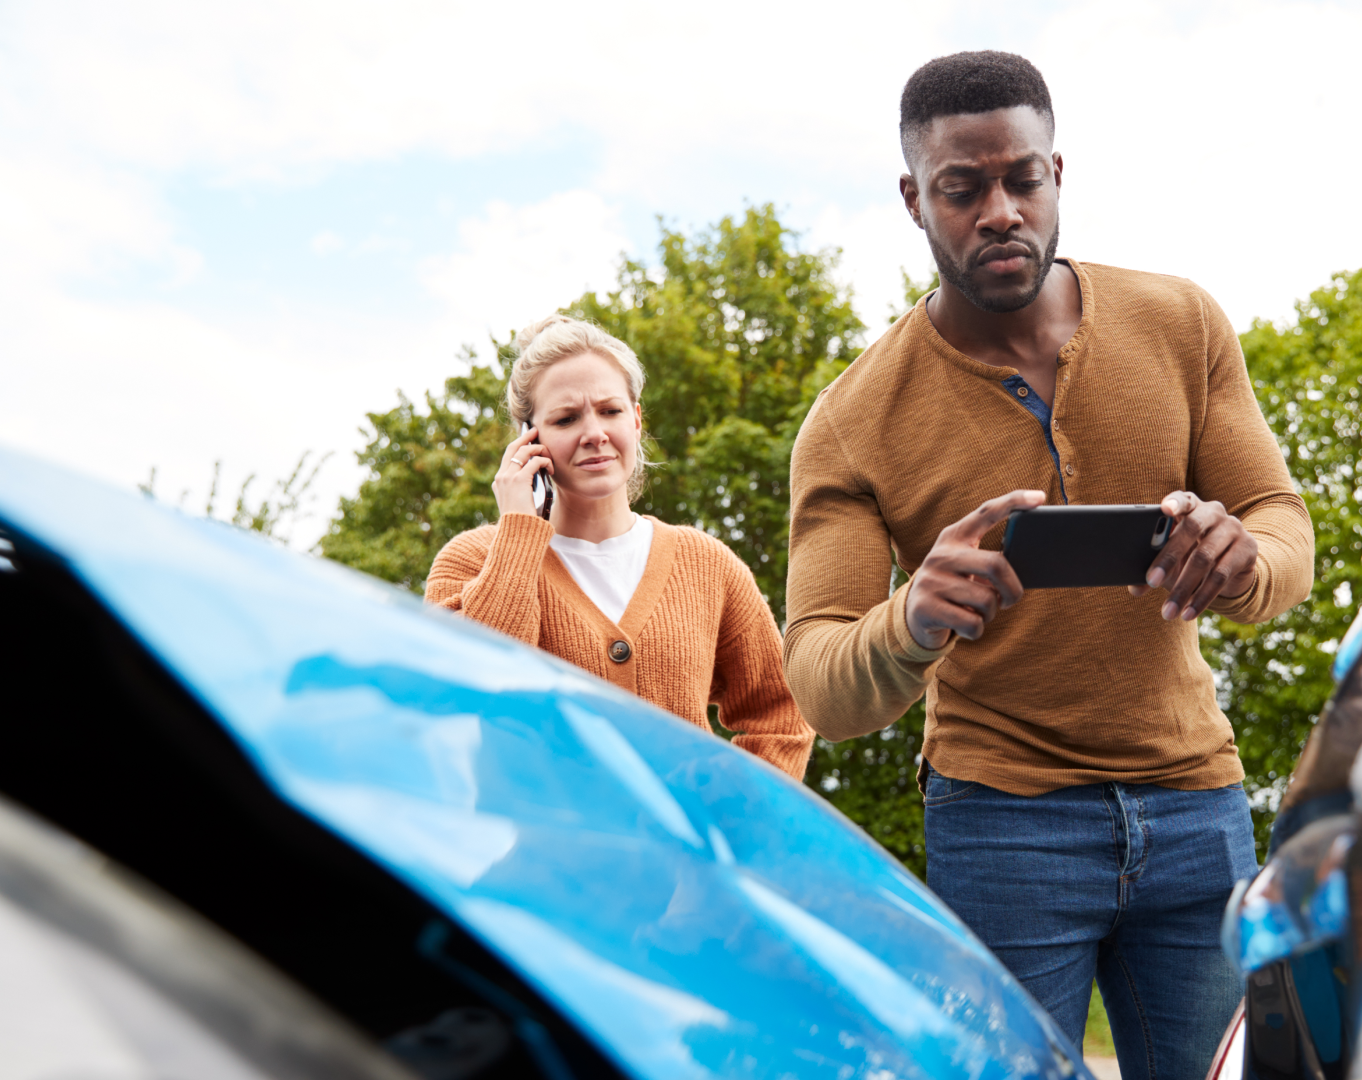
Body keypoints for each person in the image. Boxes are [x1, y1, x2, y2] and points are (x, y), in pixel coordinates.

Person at [783, 51, 1313, 1077]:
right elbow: (821, 678)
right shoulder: (852, 422)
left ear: (1057, 174)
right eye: (962, 187)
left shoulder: (1182, 322)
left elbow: (1283, 526)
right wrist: (911, 620)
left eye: (1021, 179)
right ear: (913, 200)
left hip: (1196, 803)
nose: (998, 210)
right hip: (1001, 826)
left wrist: (1240, 557)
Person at [427, 314, 814, 779]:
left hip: (681, 853)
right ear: (530, 439)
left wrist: (734, 818)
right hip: (537, 849)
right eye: (567, 418)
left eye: (609, 411)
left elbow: (780, 715)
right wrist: (517, 529)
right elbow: (476, 694)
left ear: (635, 418)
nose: (594, 432)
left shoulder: (708, 565)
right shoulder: (470, 561)